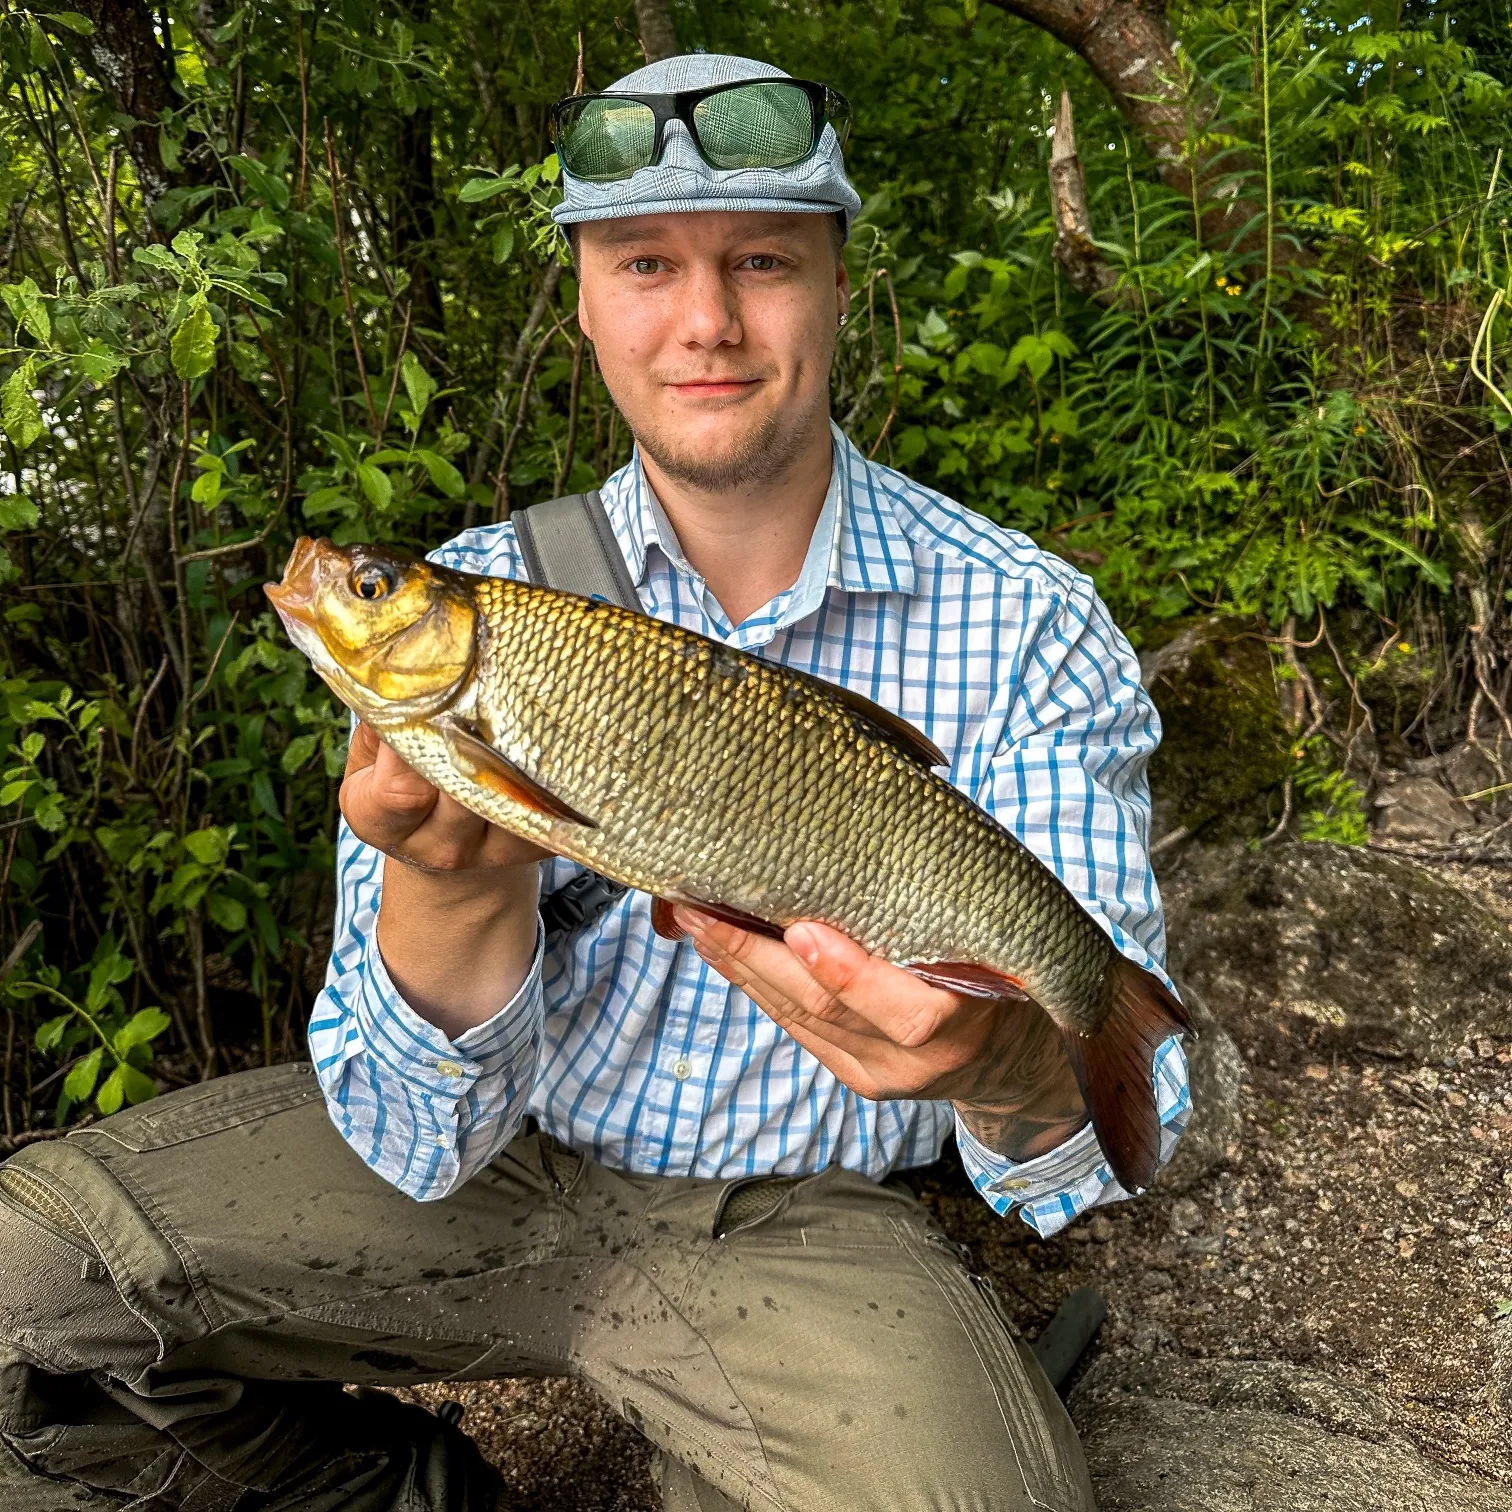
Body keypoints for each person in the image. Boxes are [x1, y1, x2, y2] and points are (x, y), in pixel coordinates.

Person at [0, 51, 1189, 1512]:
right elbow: (412, 1141)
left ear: (833, 286)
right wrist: (444, 886)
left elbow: (1100, 1153)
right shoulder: (495, 598)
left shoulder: (1031, 622)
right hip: (503, 1175)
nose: (708, 319)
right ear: (583, 299)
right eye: (646, 263)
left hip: (802, 1225)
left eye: (761, 259)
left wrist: (1005, 1063)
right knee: (18, 1291)